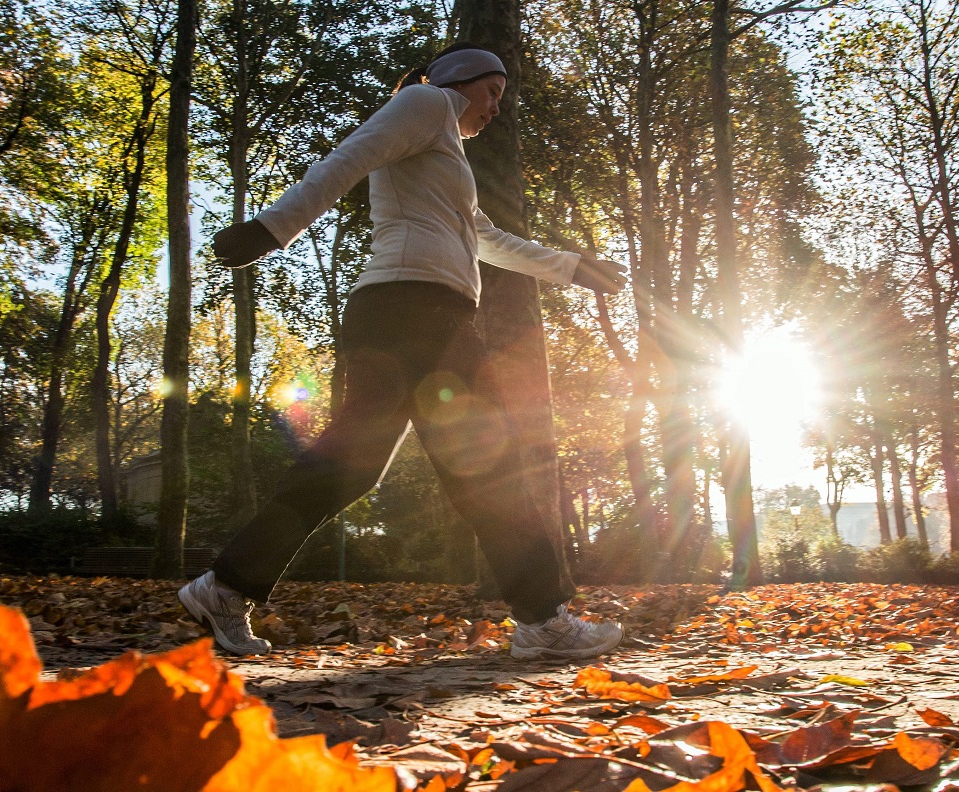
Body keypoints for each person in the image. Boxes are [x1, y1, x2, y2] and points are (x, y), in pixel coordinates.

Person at [179, 42, 628, 661]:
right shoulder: (424, 103)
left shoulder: (446, 151)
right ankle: (542, 620)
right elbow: (349, 157)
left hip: (401, 313)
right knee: (492, 466)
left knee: (351, 465)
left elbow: (487, 240)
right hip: (417, 311)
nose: (498, 105)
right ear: (458, 80)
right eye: (492, 90)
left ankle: (224, 588)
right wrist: (276, 228)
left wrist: (574, 268)